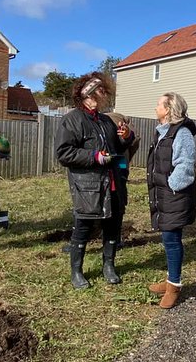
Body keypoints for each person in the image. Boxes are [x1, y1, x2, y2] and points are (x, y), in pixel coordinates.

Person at [55, 73, 136, 289]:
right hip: (88, 185)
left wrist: (125, 137)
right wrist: (94, 156)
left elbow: (118, 149)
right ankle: (77, 271)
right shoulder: (72, 120)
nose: (106, 95)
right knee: (83, 227)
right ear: (89, 94)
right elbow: (64, 153)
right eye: (102, 91)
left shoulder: (106, 121)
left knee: (113, 226)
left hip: (112, 183)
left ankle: (108, 266)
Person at [146, 92, 196, 309]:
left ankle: (174, 286)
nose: (156, 106)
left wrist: (171, 185)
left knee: (171, 239)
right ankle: (170, 279)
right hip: (164, 195)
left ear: (168, 109)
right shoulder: (163, 133)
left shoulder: (182, 132)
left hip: (174, 195)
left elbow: (186, 166)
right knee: (168, 239)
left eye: (159, 104)